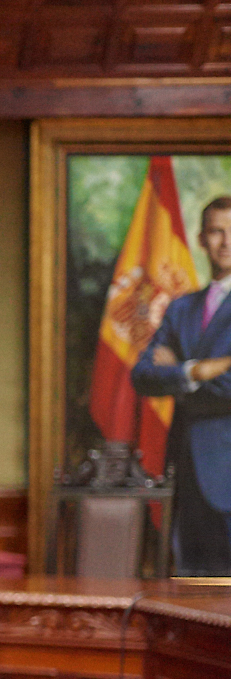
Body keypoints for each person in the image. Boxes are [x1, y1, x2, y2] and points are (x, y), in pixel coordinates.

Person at [132, 195, 231, 576]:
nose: (225, 242)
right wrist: (196, 371)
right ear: (201, 239)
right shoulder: (181, 309)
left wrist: (175, 373)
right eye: (216, 232)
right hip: (186, 468)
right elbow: (142, 376)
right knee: (193, 593)